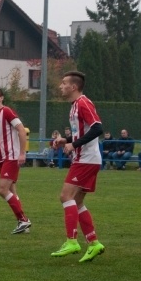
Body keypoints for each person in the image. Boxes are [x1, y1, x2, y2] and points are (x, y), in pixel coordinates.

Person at [50, 71, 106, 262]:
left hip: (86, 159)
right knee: (78, 202)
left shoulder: (83, 103)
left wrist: (73, 145)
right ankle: (93, 243)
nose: (61, 86)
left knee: (66, 196)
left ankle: (72, 241)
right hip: (85, 158)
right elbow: (84, 132)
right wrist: (65, 139)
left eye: (64, 83)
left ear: (73, 87)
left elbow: (98, 128)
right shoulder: (74, 106)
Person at [0, 88, 31, 234]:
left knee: (2, 190)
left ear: (1, 98)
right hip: (2, 158)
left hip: (11, 156)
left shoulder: (7, 112)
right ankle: (23, 223)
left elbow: (21, 130)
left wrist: (22, 153)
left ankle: (24, 220)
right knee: (11, 191)